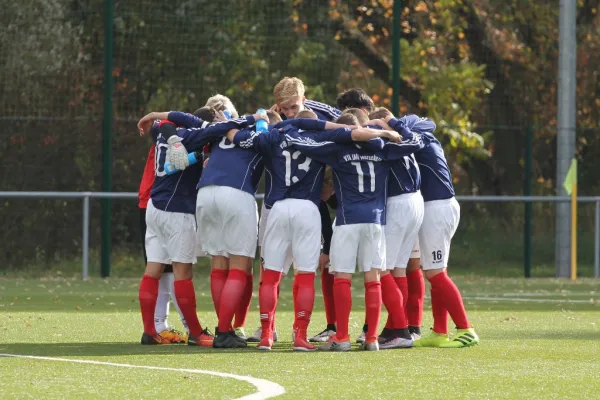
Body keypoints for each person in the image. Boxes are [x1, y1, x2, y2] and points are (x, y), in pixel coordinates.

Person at [226, 114, 402, 351]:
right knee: (306, 275)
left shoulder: (273, 136)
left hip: (277, 207)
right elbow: (349, 133)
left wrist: (229, 123)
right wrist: (384, 130)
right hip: (309, 208)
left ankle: (267, 334)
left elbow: (236, 137)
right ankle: (301, 335)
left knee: (270, 276)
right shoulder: (322, 140)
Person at [280, 114, 425, 351]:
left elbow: (298, 139)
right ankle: (372, 339)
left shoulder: (336, 149)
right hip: (376, 221)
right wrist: (389, 129)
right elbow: (416, 142)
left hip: (348, 221)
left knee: (343, 278)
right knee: (373, 279)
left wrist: (322, 128)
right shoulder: (381, 148)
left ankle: (343, 337)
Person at [139, 116, 243, 347]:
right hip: (177, 211)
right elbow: (221, 128)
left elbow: (161, 124)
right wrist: (255, 118)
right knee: (182, 273)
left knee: (153, 269)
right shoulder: (193, 136)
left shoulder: (161, 132)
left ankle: (149, 331)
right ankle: (196, 333)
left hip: (155, 207)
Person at [383, 112, 480, 348]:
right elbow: (429, 121)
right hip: (436, 206)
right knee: (435, 271)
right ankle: (439, 330)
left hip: (437, 208)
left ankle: (466, 329)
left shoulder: (417, 137)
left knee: (436, 274)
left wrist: (391, 123)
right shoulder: (423, 134)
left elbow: (423, 122)